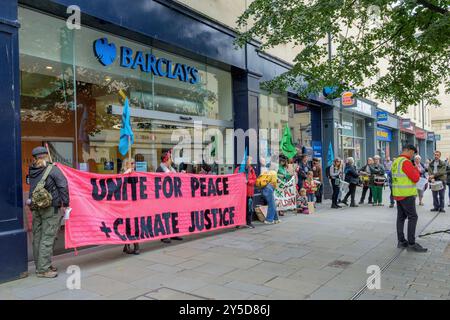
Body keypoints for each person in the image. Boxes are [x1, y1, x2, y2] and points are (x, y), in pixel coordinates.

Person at [27, 146, 69, 278]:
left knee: (38, 238)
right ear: (47, 155)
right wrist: (65, 203)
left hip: (36, 207)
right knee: (48, 237)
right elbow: (63, 186)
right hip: (51, 208)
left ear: (35, 158)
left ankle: (41, 265)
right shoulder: (53, 169)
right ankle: (43, 270)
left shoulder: (32, 170)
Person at [392, 145, 427, 252]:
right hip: (407, 194)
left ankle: (401, 241)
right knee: (413, 217)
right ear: (408, 151)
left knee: (401, 218)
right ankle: (411, 243)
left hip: (398, 193)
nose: (413, 155)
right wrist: (415, 168)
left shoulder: (396, 161)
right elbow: (416, 178)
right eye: (413, 153)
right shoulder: (406, 162)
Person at [157, 150, 184, 244]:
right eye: (170, 159)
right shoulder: (160, 169)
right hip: (164, 197)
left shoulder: (171, 168)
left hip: (172, 196)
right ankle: (164, 235)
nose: (171, 161)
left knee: (173, 215)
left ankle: (174, 233)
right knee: (165, 216)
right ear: (166, 159)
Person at [121, 158, 140, 255]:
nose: (134, 165)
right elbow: (119, 183)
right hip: (126, 202)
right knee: (128, 224)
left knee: (136, 223)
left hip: (134, 201)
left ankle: (136, 245)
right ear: (126, 164)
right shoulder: (123, 174)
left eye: (134, 163)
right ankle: (128, 245)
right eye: (131, 163)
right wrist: (126, 173)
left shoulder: (135, 174)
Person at [234, 156, 257, 228]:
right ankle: (238, 223)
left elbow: (254, 180)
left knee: (249, 208)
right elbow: (235, 178)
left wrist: (248, 181)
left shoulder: (251, 170)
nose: (250, 162)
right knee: (239, 208)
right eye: (249, 160)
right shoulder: (238, 169)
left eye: (251, 160)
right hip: (240, 193)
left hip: (249, 193)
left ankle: (249, 222)